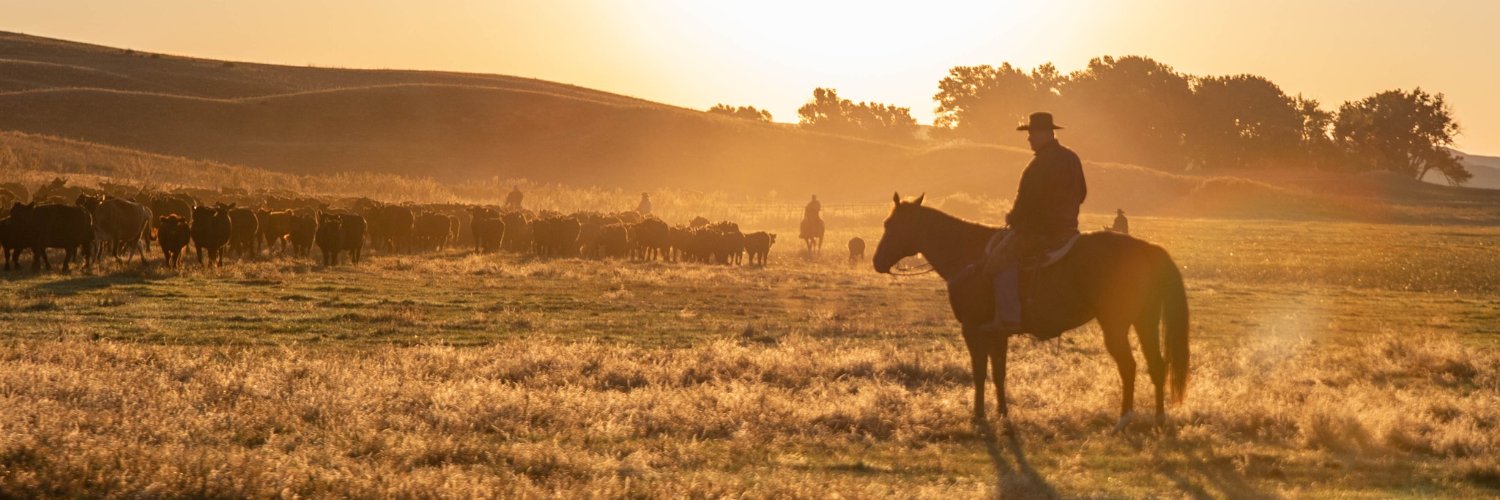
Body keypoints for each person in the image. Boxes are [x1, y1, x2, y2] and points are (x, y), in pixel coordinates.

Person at [977, 112, 1087, 335]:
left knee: (999, 259)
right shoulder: (1072, 158)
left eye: (1032, 133)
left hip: (1040, 230)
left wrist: (1013, 218)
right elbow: (1082, 193)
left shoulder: (1038, 165)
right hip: (1068, 228)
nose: (1029, 139)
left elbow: (1026, 201)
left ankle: (1008, 318)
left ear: (1045, 134)